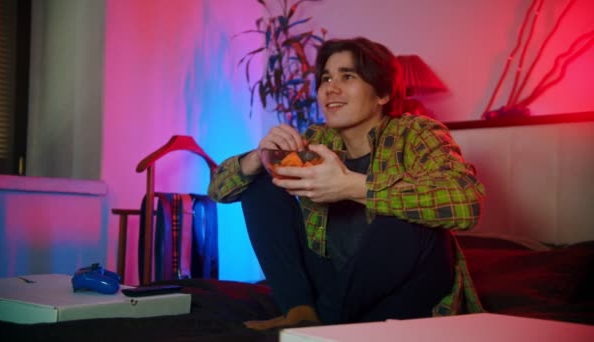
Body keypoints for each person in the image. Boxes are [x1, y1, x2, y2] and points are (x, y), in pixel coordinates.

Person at [208, 36, 486, 330]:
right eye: (326, 78)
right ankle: (300, 312)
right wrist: (257, 156)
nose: (331, 87)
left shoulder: (417, 133)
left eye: (348, 76)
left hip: (403, 291)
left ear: (382, 94)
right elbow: (218, 190)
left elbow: (466, 202)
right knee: (262, 183)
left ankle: (318, 323)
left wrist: (350, 186)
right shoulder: (317, 141)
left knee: (408, 218)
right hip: (333, 281)